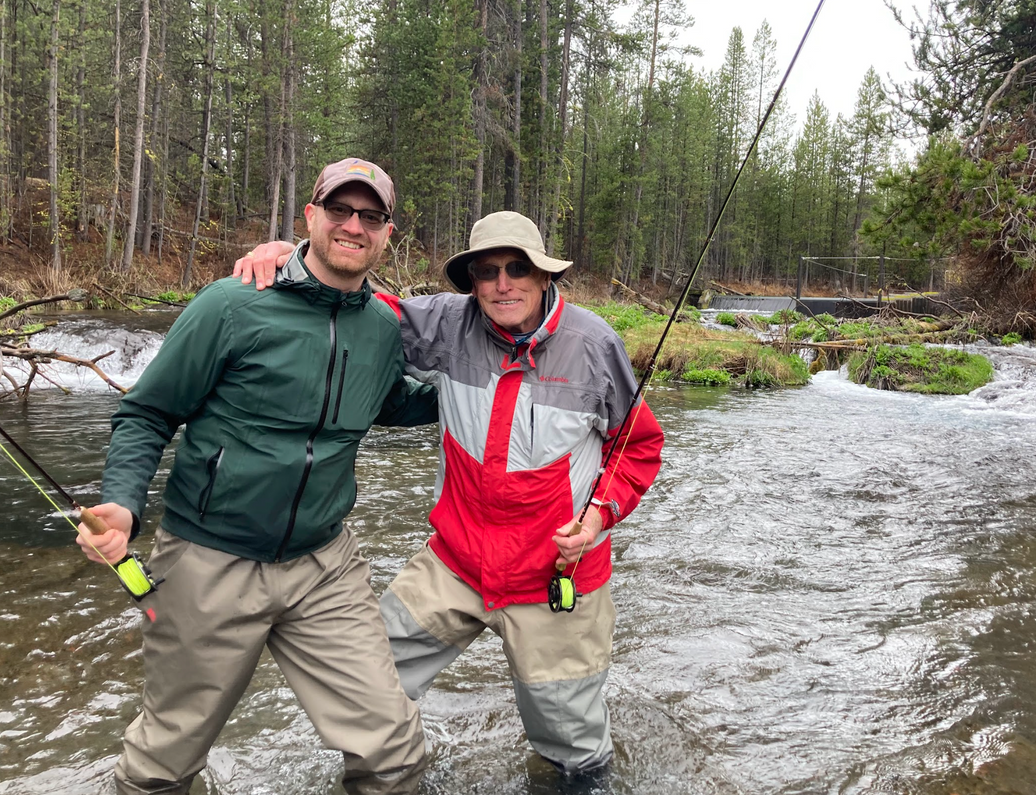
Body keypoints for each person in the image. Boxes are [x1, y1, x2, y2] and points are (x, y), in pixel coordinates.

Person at [235, 210, 665, 775]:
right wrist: (295, 259)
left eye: (518, 269)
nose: (503, 284)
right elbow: (360, 308)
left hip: (555, 577)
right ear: (472, 283)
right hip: (454, 564)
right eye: (488, 271)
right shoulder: (445, 322)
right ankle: (393, 775)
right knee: (369, 679)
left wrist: (598, 517)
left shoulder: (595, 345)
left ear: (544, 276)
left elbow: (638, 446)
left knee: (572, 751)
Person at [80, 158, 436, 795]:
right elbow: (147, 412)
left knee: (394, 753)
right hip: (209, 560)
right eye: (340, 210)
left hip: (325, 565)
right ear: (311, 216)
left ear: (388, 232)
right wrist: (123, 505)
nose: (353, 226)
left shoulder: (384, 327)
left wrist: (487, 387)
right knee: (163, 763)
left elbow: (390, 403)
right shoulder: (232, 303)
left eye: (371, 216)